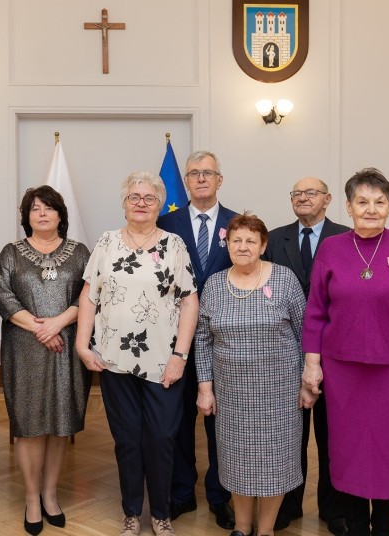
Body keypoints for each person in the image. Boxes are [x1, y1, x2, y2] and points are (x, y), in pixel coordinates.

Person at [301, 168, 389, 536]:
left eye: (379, 202)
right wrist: (311, 366)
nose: (371, 209)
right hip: (343, 372)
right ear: (348, 207)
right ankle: (358, 529)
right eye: (362, 202)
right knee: (349, 456)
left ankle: (385, 531)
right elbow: (315, 311)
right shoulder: (331, 248)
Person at [75, 171, 199, 536]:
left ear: (160, 205)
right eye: (134, 197)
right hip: (114, 359)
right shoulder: (107, 242)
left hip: (164, 361)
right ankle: (131, 512)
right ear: (124, 202)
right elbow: (89, 295)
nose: (141, 203)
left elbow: (190, 301)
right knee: (127, 439)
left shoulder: (174, 244)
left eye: (149, 198)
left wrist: (181, 354)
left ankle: (160, 513)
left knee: (161, 437)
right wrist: (83, 346)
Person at [195, 213, 307, 536]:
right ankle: (242, 528)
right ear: (227, 244)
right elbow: (202, 339)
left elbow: (305, 334)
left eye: (250, 241)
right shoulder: (215, 285)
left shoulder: (284, 280)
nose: (243, 247)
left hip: (280, 395)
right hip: (231, 396)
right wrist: (205, 387)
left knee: (276, 463)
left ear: (262, 245)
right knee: (235, 463)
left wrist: (306, 382)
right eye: (236, 240)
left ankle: (267, 530)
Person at [0, 186, 91, 536]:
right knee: (30, 427)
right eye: (36, 209)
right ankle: (32, 497)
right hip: (25, 348)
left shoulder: (80, 253)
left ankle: (51, 495)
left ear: (61, 215)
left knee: (59, 425)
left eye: (49, 208)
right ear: (27, 216)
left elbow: (92, 295)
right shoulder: (10, 254)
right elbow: (2, 296)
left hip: (66, 347)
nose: (43, 214)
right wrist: (40, 328)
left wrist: (58, 323)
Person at [263, 177, 349, 534]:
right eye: (296, 193)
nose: (302, 198)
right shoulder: (275, 237)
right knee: (289, 435)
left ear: (328, 199)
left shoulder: (346, 237)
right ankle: (288, 505)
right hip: (284, 353)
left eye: (310, 193)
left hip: (335, 352)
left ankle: (334, 509)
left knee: (332, 435)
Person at [157, 150, 236, 530]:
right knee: (178, 418)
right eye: (193, 173)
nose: (201, 178)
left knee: (220, 420)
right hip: (173, 339)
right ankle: (182, 492)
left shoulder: (240, 223)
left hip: (225, 341)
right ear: (185, 182)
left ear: (220, 179)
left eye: (208, 173)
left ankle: (221, 495)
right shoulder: (163, 222)